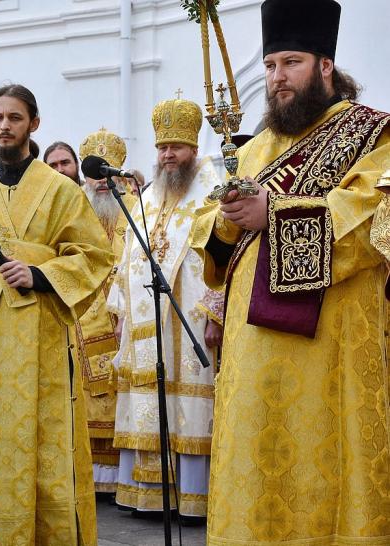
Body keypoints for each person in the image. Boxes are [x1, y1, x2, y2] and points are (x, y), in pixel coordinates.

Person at [190, 1, 390, 543]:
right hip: (251, 348)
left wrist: (272, 215)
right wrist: (229, 219)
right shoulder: (255, 146)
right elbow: (211, 236)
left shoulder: (371, 135)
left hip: (331, 344)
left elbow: (370, 219)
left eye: (292, 63)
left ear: (325, 64)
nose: (278, 78)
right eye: (272, 64)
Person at [0, 84, 113, 545]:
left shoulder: (60, 188)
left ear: (34, 123)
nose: (5, 125)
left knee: (43, 444)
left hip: (41, 332)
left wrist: (41, 274)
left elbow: (95, 255)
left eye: (15, 117)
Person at [107, 97, 223, 521]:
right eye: (162, 147)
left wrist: (216, 312)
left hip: (189, 319)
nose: (168, 154)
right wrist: (119, 311)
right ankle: (150, 495)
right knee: (148, 400)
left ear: (193, 147)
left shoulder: (212, 187)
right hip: (145, 325)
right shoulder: (150, 195)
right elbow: (127, 256)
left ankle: (193, 498)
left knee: (192, 405)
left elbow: (224, 253)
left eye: (176, 146)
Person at [69, 128, 133, 496]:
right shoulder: (72, 206)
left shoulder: (136, 208)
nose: (102, 182)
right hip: (84, 311)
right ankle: (90, 477)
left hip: (123, 311)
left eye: (109, 173)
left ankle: (120, 478)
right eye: (95, 174)